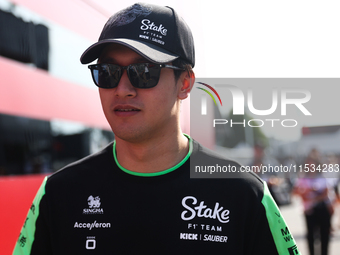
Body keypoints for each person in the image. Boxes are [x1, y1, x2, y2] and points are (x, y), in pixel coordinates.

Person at [13, 3, 300, 254]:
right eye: (108, 73)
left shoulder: (244, 195)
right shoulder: (58, 194)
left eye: (144, 72)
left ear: (185, 83)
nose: (123, 89)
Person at [293, 149, 333, 255]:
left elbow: (326, 192)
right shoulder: (303, 177)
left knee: (324, 236)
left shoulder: (322, 176)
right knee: (310, 236)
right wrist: (305, 193)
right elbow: (296, 191)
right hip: (309, 210)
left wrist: (314, 197)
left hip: (322, 208)